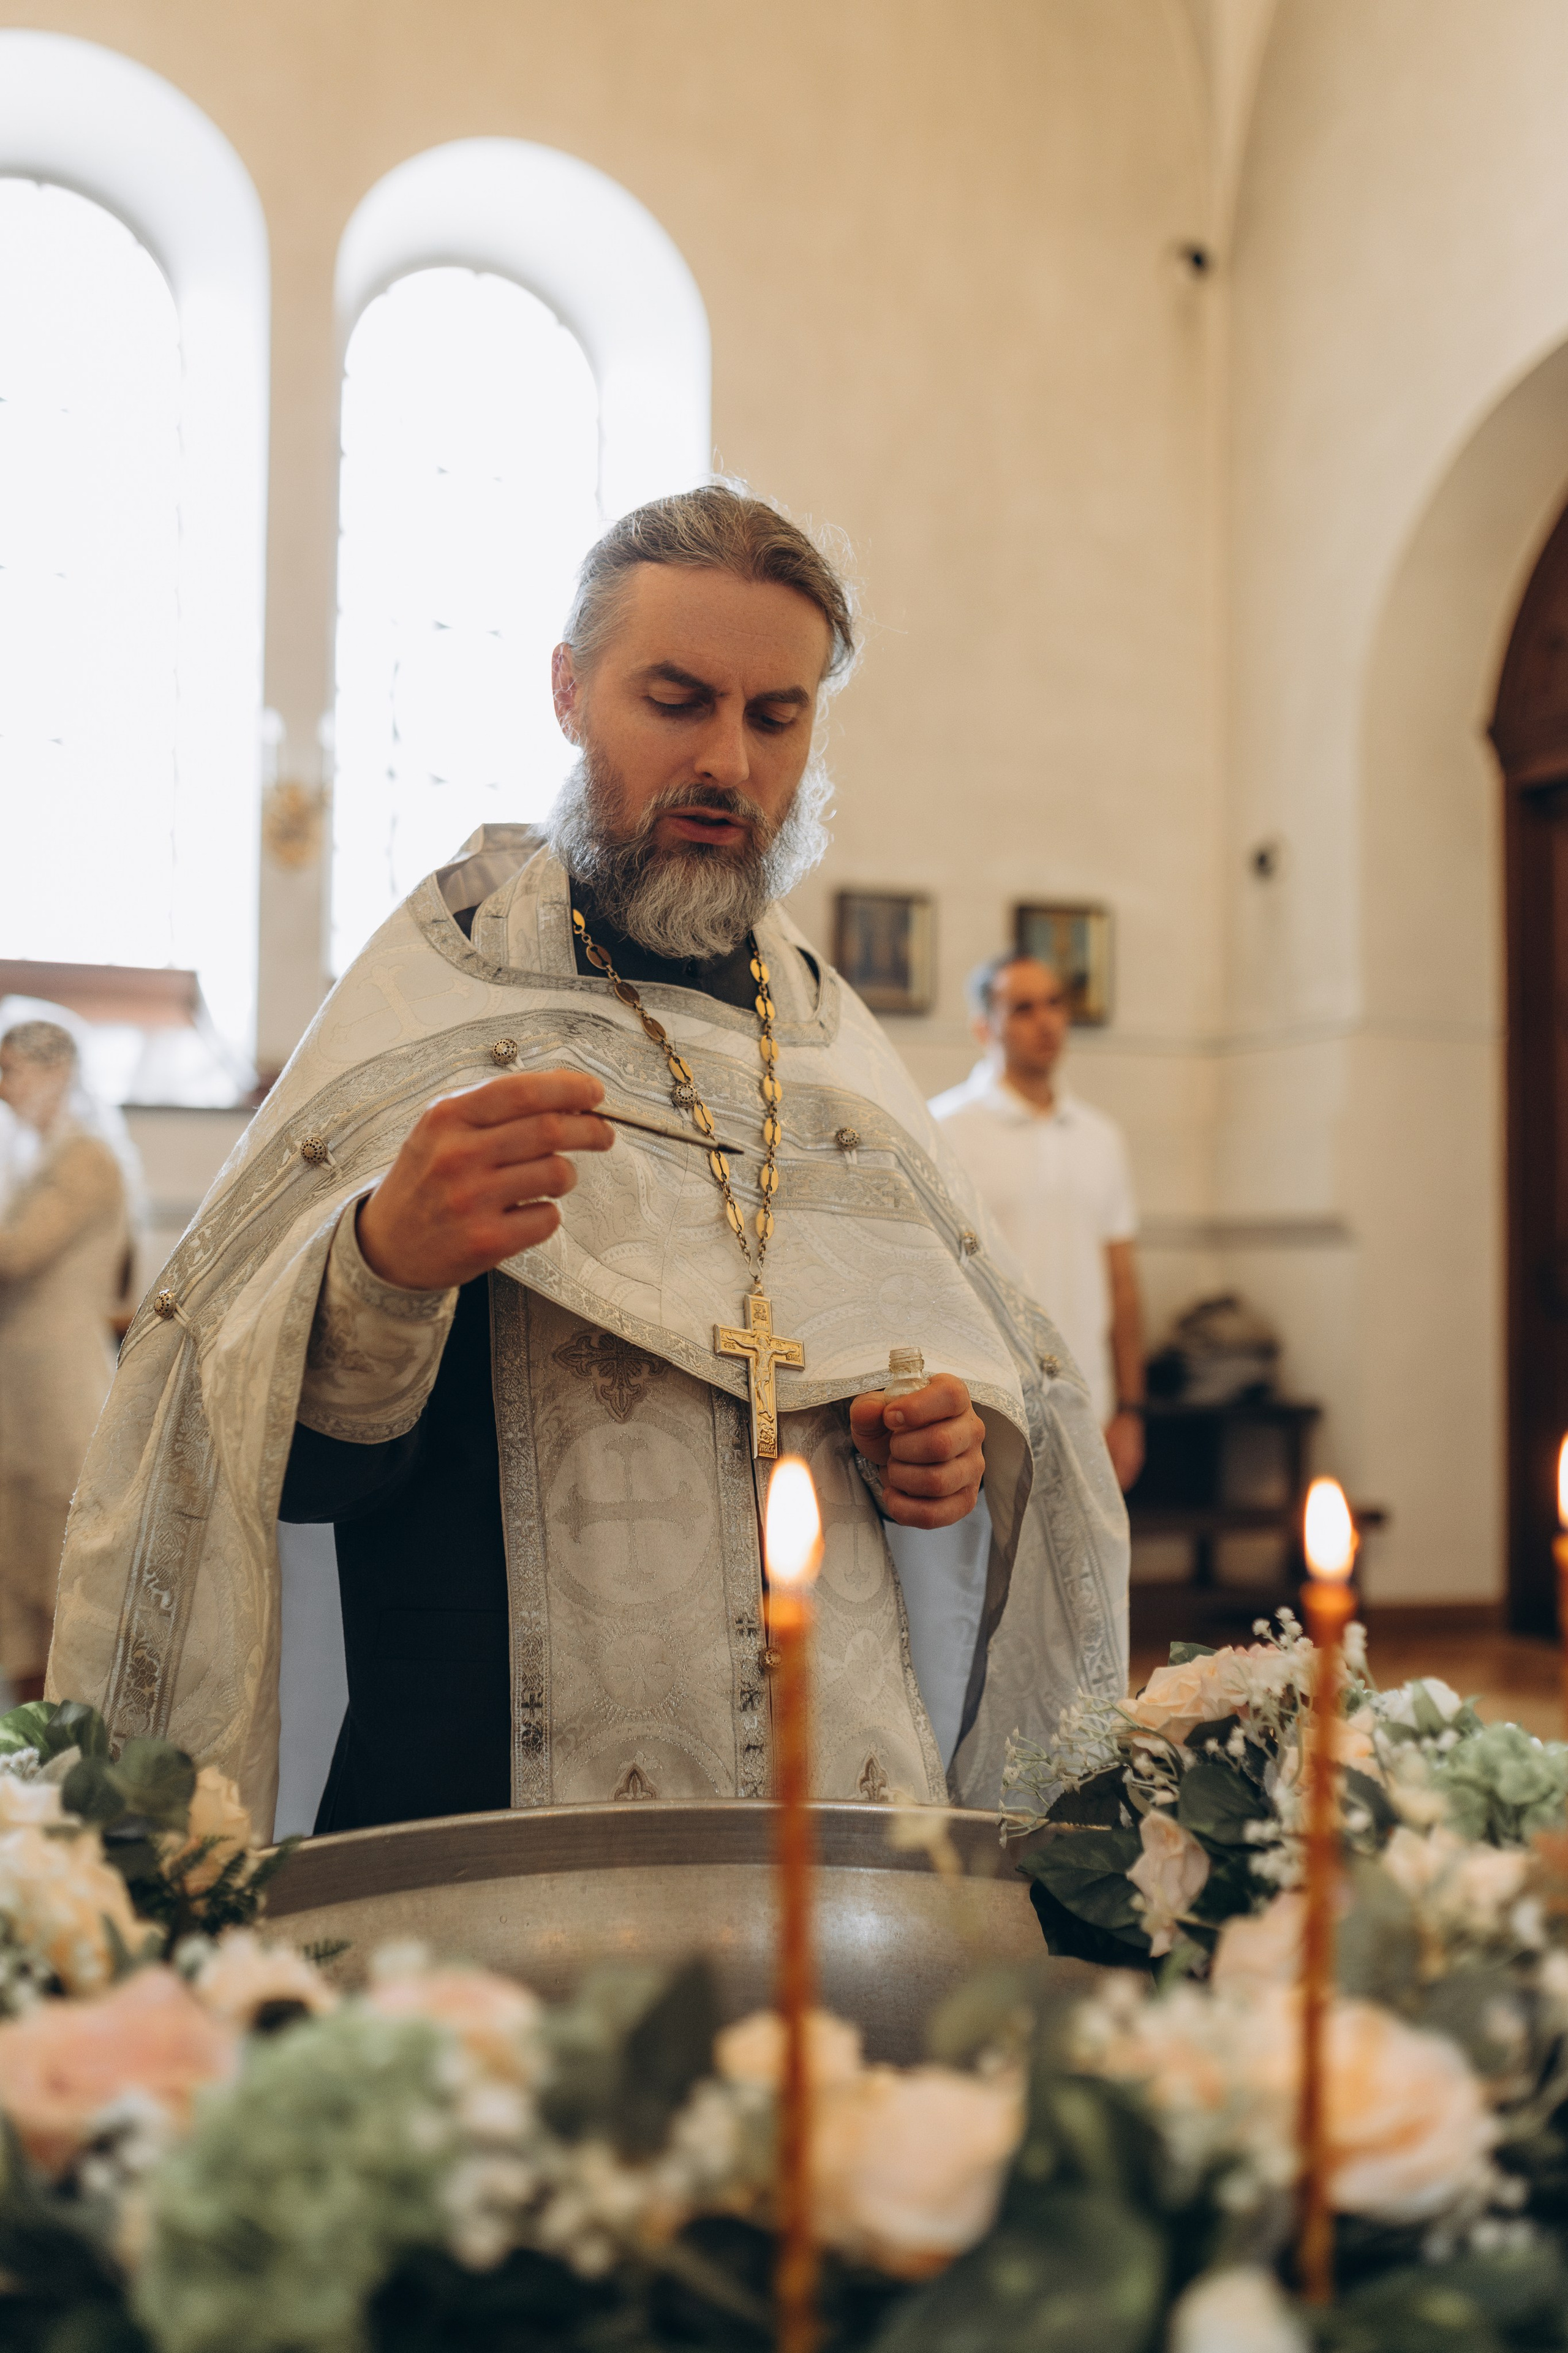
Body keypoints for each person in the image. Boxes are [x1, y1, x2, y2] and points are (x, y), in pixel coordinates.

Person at [50, 486, 1126, 1833]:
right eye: (676, 699)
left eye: (775, 716)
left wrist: (935, 1464)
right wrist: (383, 1264)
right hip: (473, 1797)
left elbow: (937, 1416)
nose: (728, 761)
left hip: (827, 1811)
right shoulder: (432, 1000)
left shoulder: (833, 1044)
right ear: (568, 690)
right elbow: (280, 1472)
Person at [930, 955, 1147, 1490]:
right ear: (985, 1026)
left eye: (1055, 1003)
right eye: (1022, 1008)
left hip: (1088, 1407)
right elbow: (929, 1282)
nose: (1046, 1021)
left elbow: (1121, 1281)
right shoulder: (944, 1129)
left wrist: (1131, 1410)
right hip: (987, 1412)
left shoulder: (1101, 1137)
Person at [0, 1021, 129, 1701]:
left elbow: (17, 1253)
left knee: (58, 1544)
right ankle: (25, 1742)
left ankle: (68, 1736)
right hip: (19, 1382)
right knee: (16, 1549)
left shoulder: (84, 1159)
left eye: (13, 1071)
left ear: (55, 1072)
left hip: (58, 1376)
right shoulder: (39, 1157)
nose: (6, 1088)